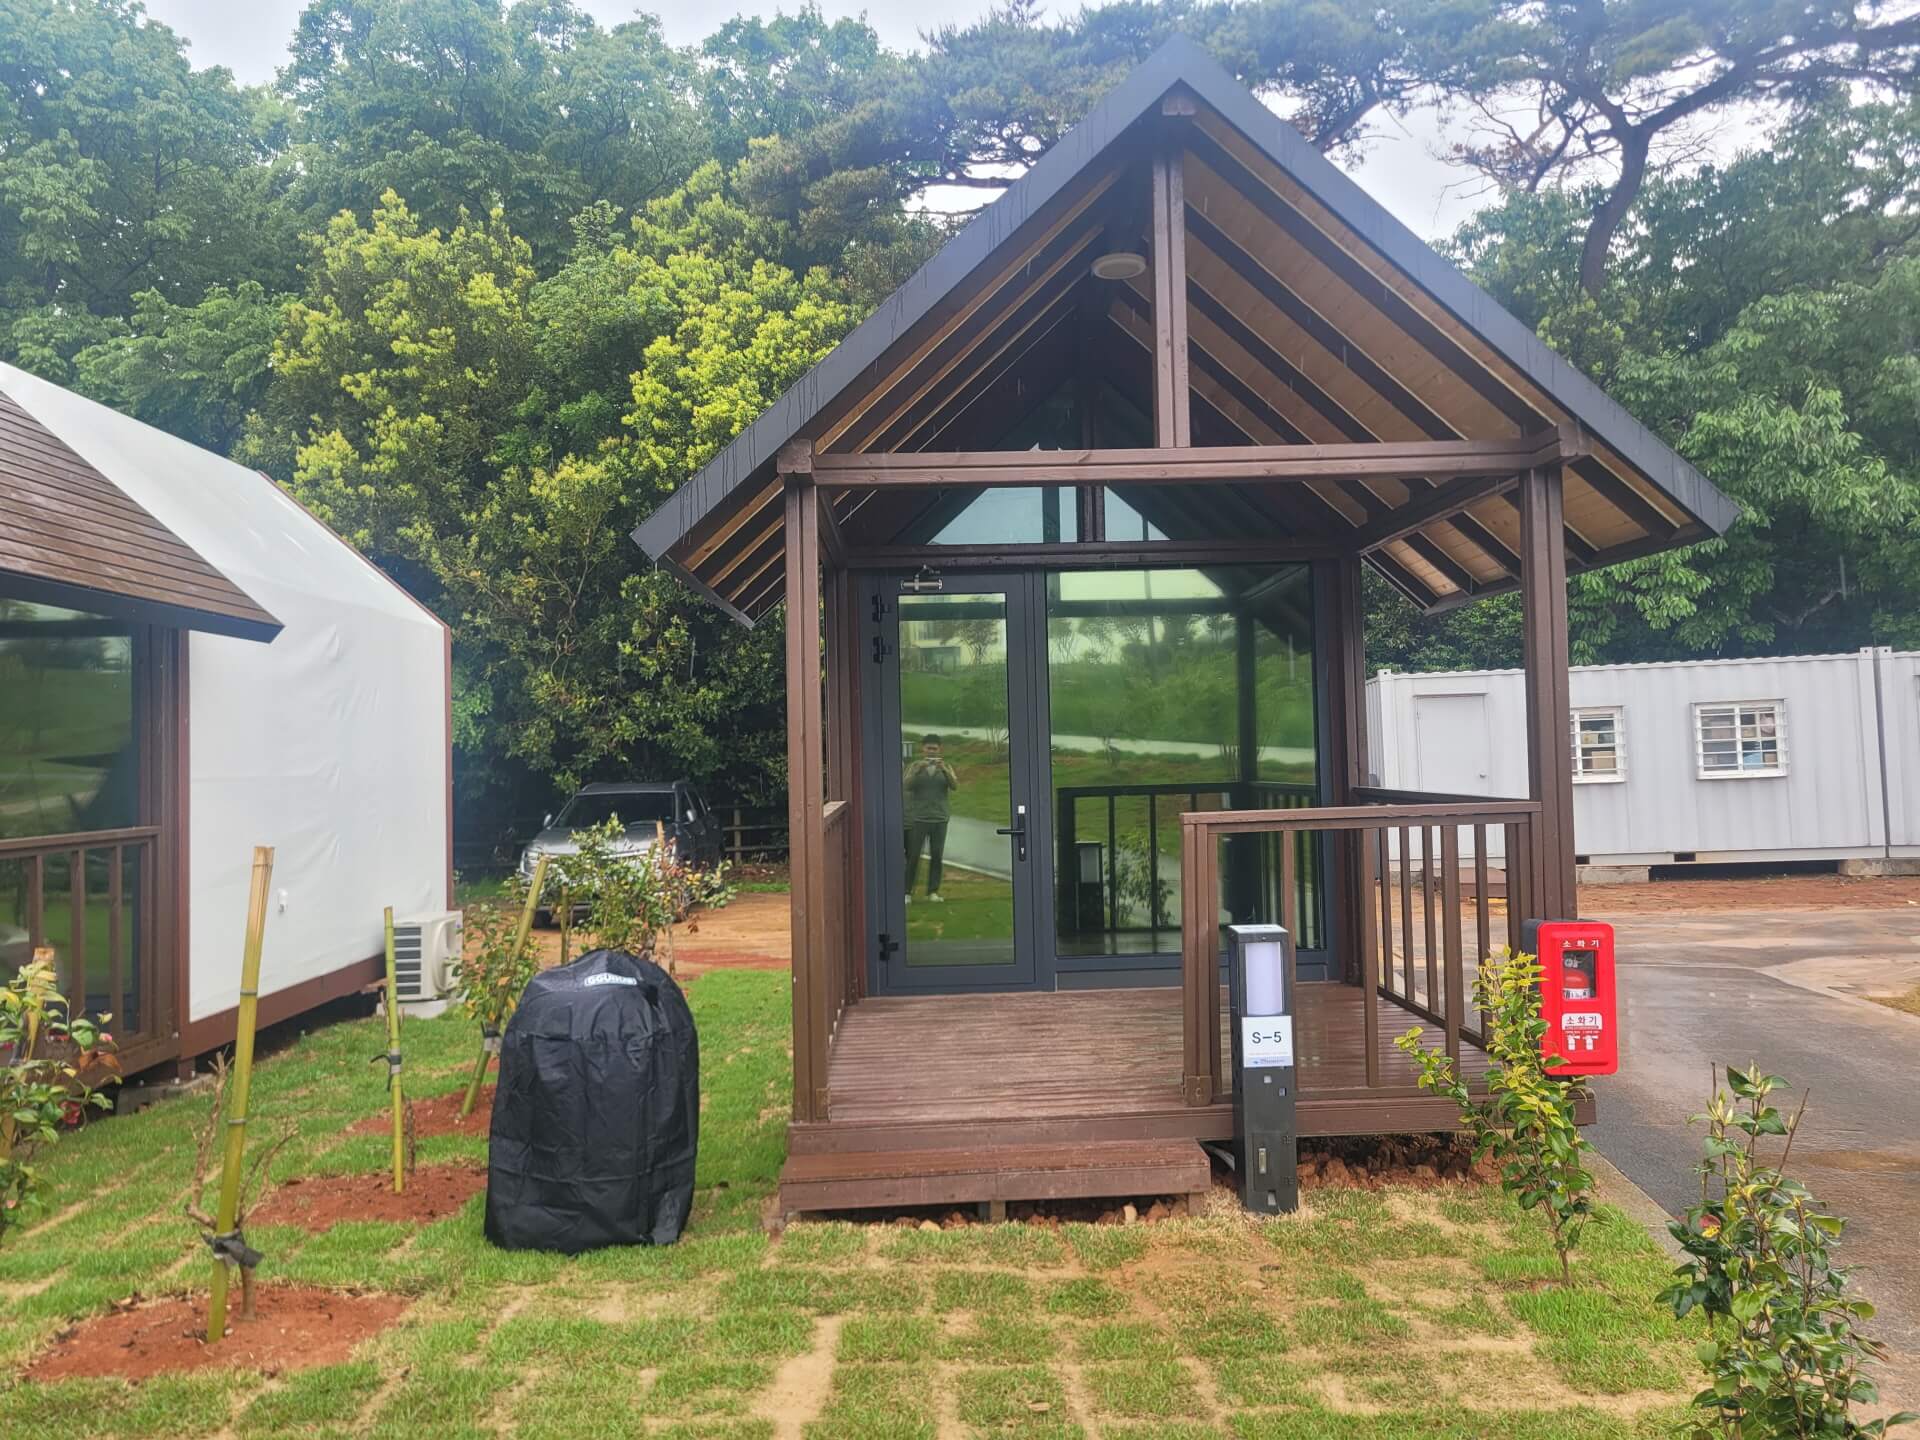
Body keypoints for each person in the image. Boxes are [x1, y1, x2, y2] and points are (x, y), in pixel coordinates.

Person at [903, 734, 958, 903]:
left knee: (937, 855)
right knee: (913, 856)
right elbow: (906, 785)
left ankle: (932, 892)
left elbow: (954, 786)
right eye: (929, 748)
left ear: (940, 749)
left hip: (940, 818)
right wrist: (918, 771)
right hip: (919, 818)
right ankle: (907, 892)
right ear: (923, 749)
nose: (932, 751)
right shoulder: (914, 766)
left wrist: (945, 771)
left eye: (935, 748)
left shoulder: (946, 766)